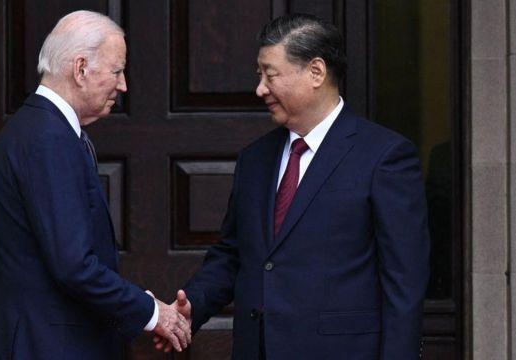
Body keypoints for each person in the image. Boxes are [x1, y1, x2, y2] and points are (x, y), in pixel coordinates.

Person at [156, 14, 430, 359]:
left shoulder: (384, 156)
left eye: (271, 75)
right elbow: (232, 255)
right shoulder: (255, 159)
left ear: (316, 72)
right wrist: (191, 308)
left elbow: (404, 281)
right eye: (259, 75)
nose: (260, 89)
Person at [0, 10, 190, 359]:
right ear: (80, 69)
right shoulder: (49, 139)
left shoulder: (37, 128)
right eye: (117, 71)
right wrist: (152, 313)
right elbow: (74, 265)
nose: (123, 86)